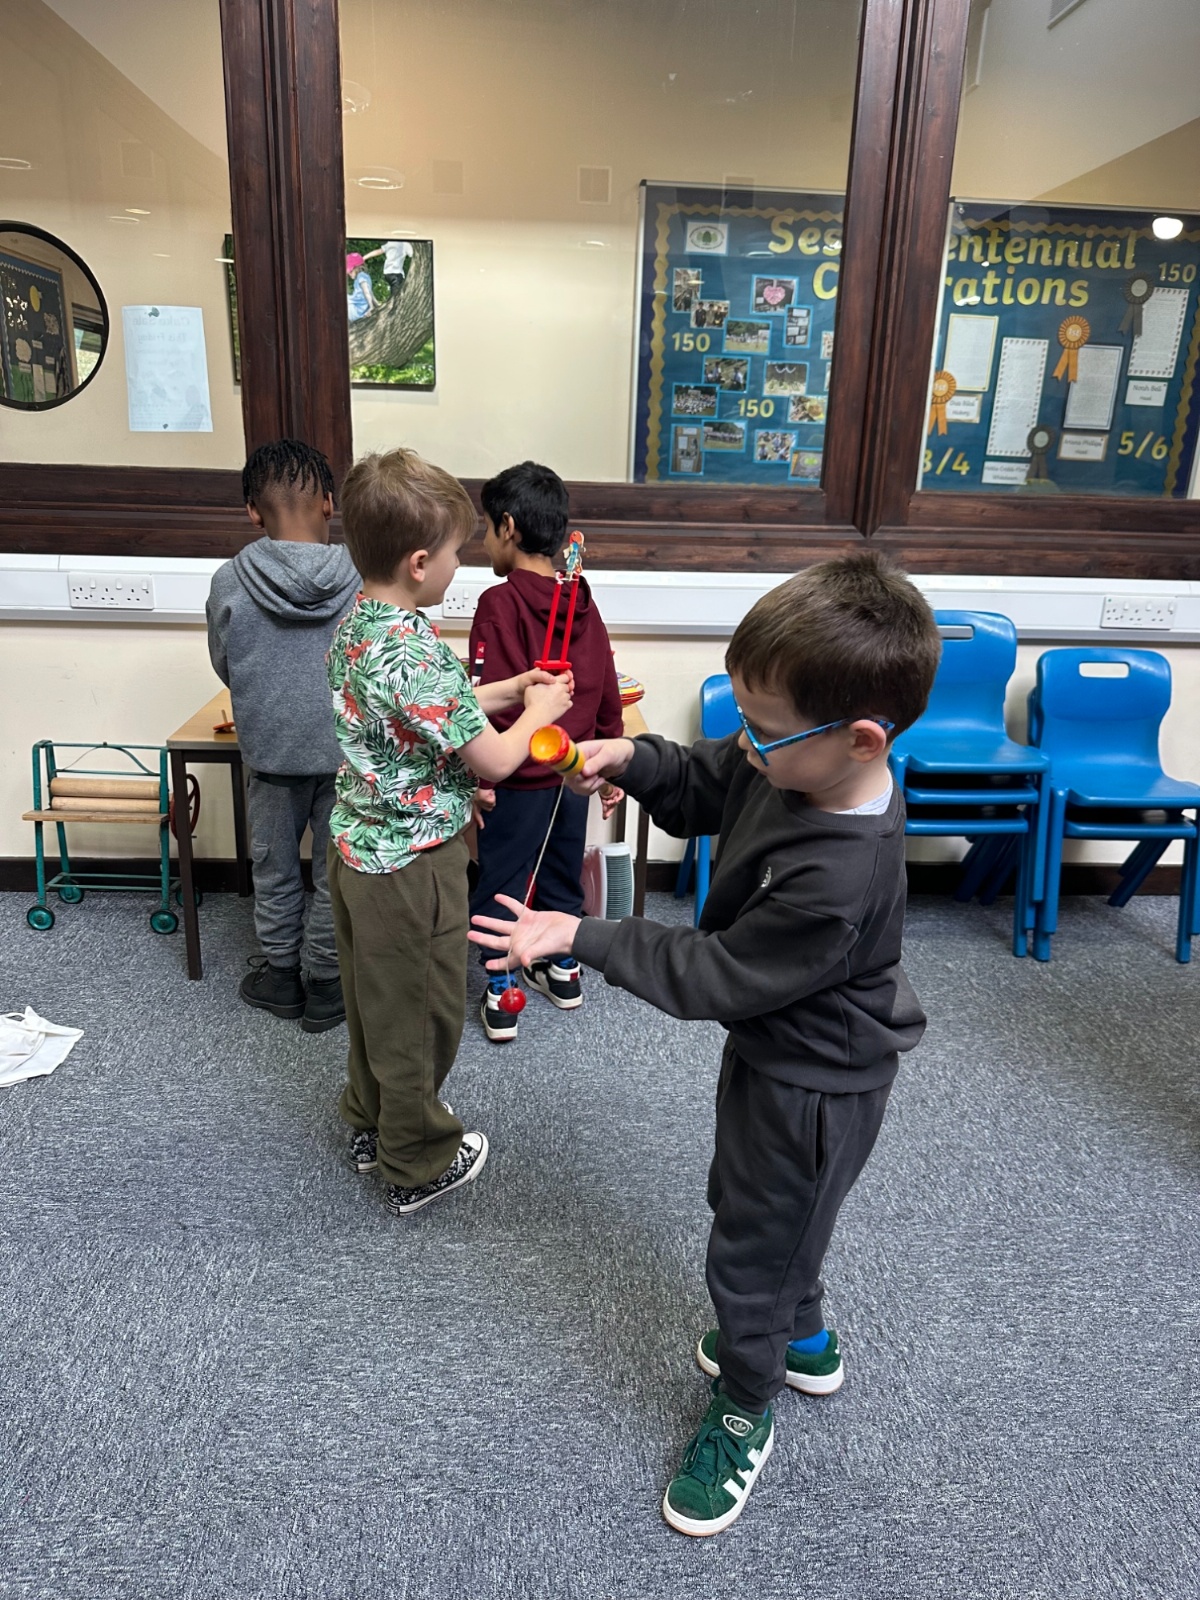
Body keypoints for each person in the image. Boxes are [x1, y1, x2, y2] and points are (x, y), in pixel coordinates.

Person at [470, 550, 941, 1536]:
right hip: (778, 1049)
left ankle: (746, 1403)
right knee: (758, 1208)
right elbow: (712, 775)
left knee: (751, 1251)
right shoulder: (799, 764)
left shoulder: (837, 878)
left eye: (763, 730)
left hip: (817, 1082)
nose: (746, 745)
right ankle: (801, 1336)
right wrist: (630, 759)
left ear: (861, 738)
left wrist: (581, 935)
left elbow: (715, 971)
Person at [327, 448, 572, 1217]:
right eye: (455, 553)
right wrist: (537, 712)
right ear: (420, 562)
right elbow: (494, 760)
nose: (461, 565)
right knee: (421, 1015)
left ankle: (372, 1121)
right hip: (412, 868)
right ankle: (416, 1159)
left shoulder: (361, 627)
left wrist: (507, 686)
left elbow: (429, 708)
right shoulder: (419, 652)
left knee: (375, 1001)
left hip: (357, 851)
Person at [468, 461, 625, 1043]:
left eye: (486, 528)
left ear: (508, 527)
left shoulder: (498, 602)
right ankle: (563, 970)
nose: (485, 541)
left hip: (516, 774)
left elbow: (484, 699)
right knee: (561, 871)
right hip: (573, 769)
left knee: (503, 882)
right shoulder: (581, 599)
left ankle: (500, 993)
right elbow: (606, 684)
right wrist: (610, 761)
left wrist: (479, 775)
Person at [206, 438, 359, 1033]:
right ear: (328, 503)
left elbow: (226, 663)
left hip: (271, 755)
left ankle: (281, 977)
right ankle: (326, 985)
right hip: (347, 757)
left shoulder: (229, 581)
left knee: (273, 869)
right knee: (334, 872)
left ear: (253, 511)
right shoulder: (362, 576)